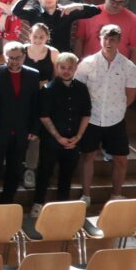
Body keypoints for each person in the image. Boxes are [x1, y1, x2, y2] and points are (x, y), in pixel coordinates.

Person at [76, 24, 136, 204]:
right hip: (92, 119)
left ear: (119, 41)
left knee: (121, 159)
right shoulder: (87, 64)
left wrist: (116, 108)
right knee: (88, 156)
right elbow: (80, 91)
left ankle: (116, 195)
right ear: (100, 39)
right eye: (106, 38)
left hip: (116, 119)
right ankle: (86, 195)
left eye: (113, 39)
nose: (109, 42)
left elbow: (131, 95)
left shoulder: (128, 67)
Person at [31, 53, 90, 216]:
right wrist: (58, 138)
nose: (66, 71)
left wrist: (78, 137)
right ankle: (38, 203)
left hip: (73, 139)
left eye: (70, 68)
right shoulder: (48, 89)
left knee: (67, 173)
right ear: (57, 68)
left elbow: (86, 114)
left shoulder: (82, 88)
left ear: (75, 69)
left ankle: (62, 206)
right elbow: (44, 116)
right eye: (62, 68)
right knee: (45, 172)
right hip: (52, 140)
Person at [0, 41, 41, 205]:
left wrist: (34, 129)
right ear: (4, 56)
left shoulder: (33, 75)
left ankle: (6, 204)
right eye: (10, 57)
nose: (14, 61)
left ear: (24, 57)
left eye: (18, 58)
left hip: (22, 132)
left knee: (14, 170)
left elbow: (36, 105)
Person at [13, 0, 99, 54]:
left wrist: (76, 6)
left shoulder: (66, 12)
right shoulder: (34, 13)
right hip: (39, 53)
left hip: (61, 55)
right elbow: (16, 11)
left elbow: (96, 10)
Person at [73, 0, 136, 65]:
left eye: (120, 2)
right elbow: (79, 41)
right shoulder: (89, 13)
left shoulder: (133, 20)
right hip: (89, 66)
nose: (115, 5)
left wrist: (131, 72)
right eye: (112, 1)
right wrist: (77, 64)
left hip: (118, 69)